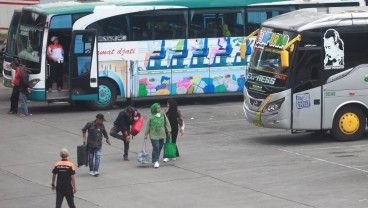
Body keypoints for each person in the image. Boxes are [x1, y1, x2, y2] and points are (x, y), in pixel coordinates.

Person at [144, 103, 171, 168]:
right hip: (153, 135)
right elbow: (147, 125)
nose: (159, 109)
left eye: (159, 108)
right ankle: (156, 161)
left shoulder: (162, 114)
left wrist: (169, 130)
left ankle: (155, 159)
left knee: (160, 147)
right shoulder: (150, 116)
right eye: (158, 108)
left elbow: (166, 122)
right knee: (156, 147)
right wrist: (146, 134)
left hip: (161, 134)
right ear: (154, 109)